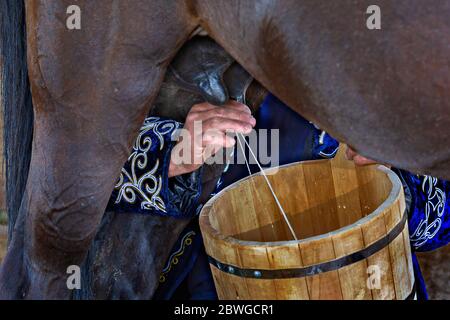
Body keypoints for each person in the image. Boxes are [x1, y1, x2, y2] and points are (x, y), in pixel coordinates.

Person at [107, 93, 449, 300]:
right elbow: (65, 166)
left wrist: (393, 183)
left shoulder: (379, 50)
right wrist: (169, 155)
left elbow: (441, 216)